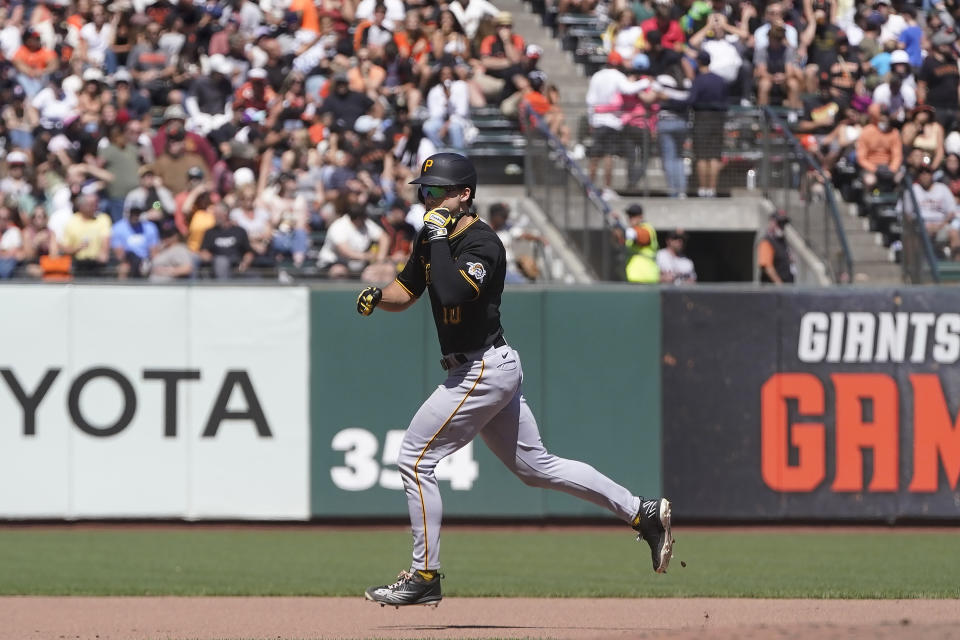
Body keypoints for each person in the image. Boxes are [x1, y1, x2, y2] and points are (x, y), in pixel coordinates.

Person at [356, 152, 673, 607]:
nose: (428, 199)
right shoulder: (433, 239)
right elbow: (407, 290)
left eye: (437, 191)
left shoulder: (484, 244)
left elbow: (451, 292)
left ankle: (425, 574)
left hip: (482, 367)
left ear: (464, 195)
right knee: (536, 468)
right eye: (425, 192)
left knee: (414, 458)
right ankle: (641, 511)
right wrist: (377, 295)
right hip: (483, 366)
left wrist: (440, 237)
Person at [689, 50, 727, 197]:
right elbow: (726, 101)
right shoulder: (720, 80)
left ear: (699, 62)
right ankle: (712, 189)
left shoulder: (698, 80)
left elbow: (691, 100)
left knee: (701, 156)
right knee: (714, 156)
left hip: (701, 118)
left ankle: (703, 188)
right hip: (718, 119)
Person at [622, 203, 659, 283]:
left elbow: (642, 238)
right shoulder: (630, 231)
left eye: (634, 215)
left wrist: (623, 231)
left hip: (647, 279)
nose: (631, 218)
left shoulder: (647, 228)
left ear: (641, 216)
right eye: (629, 216)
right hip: (632, 279)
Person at [757, 212, 795, 284]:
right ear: (771, 223)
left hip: (786, 287)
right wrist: (780, 286)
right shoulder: (766, 241)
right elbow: (767, 267)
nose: (782, 226)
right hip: (773, 291)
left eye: (783, 224)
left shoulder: (782, 241)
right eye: (780, 223)